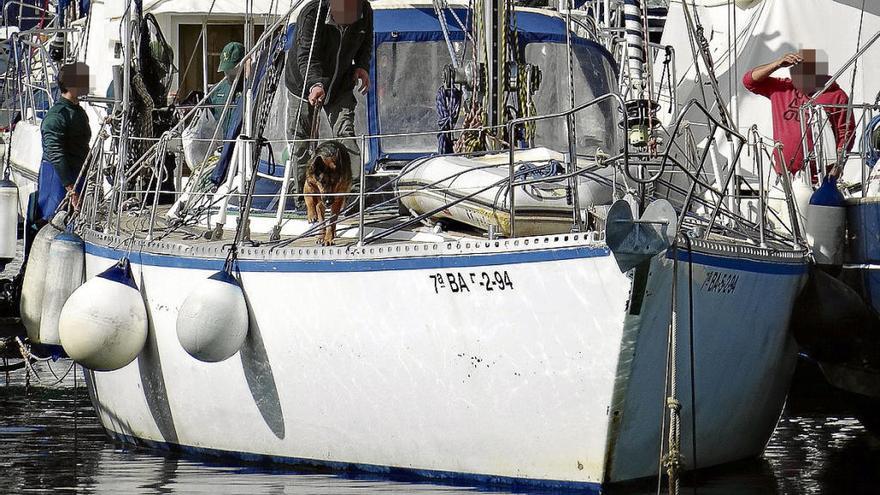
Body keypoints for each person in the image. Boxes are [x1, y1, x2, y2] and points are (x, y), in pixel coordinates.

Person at [285, 0, 373, 200]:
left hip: (340, 82)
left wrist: (362, 65)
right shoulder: (312, 14)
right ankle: (303, 194)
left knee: (345, 132)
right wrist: (315, 84)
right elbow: (307, 56)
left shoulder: (364, 10)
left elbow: (366, 41)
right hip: (303, 83)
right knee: (301, 138)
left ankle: (353, 190)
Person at [743, 49, 854, 180]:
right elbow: (749, 81)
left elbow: (846, 132)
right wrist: (777, 64)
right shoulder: (782, 88)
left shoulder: (836, 95)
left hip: (821, 177)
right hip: (786, 176)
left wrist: (839, 165)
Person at [38, 62, 91, 221]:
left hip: (78, 174)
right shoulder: (57, 116)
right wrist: (70, 189)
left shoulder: (77, 111)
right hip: (60, 179)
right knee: (55, 220)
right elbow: (55, 153)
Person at [209, 41, 245, 125]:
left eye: (232, 69)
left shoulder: (251, 89)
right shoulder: (215, 91)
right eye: (226, 70)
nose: (228, 74)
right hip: (219, 137)